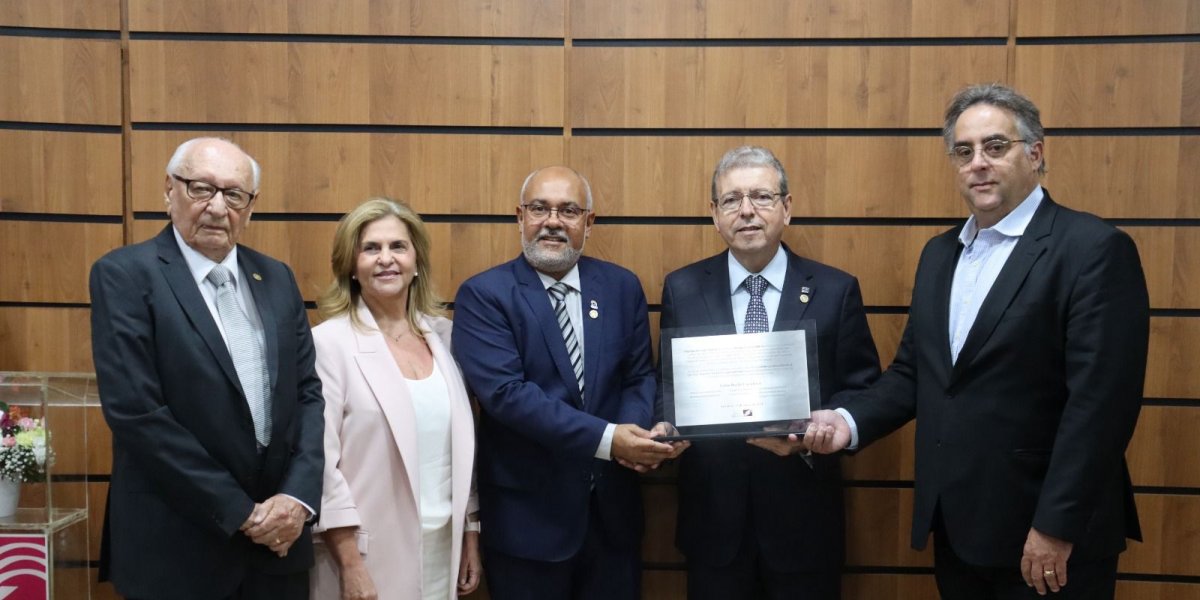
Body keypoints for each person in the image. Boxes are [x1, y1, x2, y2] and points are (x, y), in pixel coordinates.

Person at [802, 84, 1150, 599]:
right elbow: (916, 375)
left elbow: (1101, 407)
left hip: (1049, 539)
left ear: (1035, 153)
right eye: (964, 152)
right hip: (960, 531)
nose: (978, 163)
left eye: (995, 146)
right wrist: (846, 422)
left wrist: (1056, 526)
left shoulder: (1093, 250)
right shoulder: (940, 255)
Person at [89, 137, 325, 599]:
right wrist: (241, 512)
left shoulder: (277, 277)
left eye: (234, 194)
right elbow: (137, 412)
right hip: (177, 549)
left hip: (277, 548)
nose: (218, 207)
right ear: (169, 191)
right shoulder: (125, 275)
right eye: (201, 189)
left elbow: (308, 395)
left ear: (250, 207)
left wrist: (297, 500)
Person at [652, 146, 881, 599]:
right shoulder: (682, 287)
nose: (747, 211)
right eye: (732, 200)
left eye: (761, 196)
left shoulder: (835, 290)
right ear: (714, 215)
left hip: (804, 524)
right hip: (714, 524)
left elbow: (865, 390)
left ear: (787, 208)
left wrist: (823, 429)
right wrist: (665, 423)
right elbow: (669, 386)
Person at [451, 166, 673, 599]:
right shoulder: (484, 294)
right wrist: (611, 439)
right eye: (540, 208)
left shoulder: (621, 287)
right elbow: (507, 396)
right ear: (519, 216)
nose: (553, 221)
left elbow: (637, 376)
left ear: (588, 223)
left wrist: (638, 439)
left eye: (569, 210)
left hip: (613, 519)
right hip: (528, 525)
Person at [309, 198, 481, 599]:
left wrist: (470, 527)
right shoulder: (328, 344)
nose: (386, 259)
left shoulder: (445, 337)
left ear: (416, 260)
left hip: (443, 546)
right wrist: (350, 563)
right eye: (371, 248)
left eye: (398, 247)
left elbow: (461, 444)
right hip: (362, 555)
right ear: (351, 266)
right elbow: (322, 466)